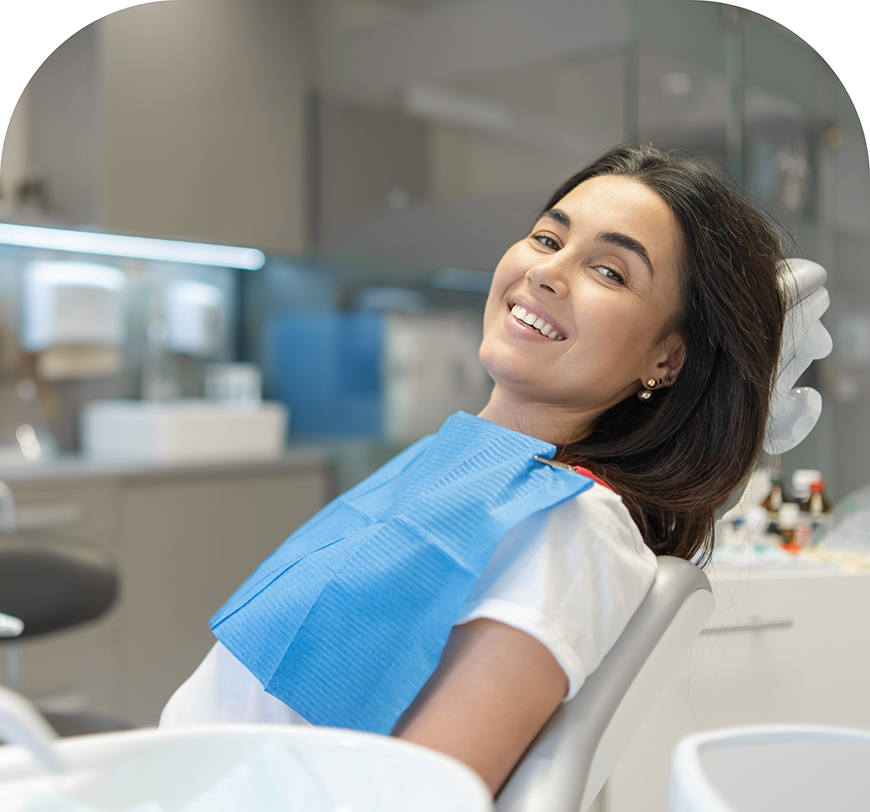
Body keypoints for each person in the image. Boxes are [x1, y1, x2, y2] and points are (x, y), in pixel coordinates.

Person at [160, 144, 786, 795]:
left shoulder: (573, 526)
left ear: (666, 358)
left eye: (609, 271)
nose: (547, 272)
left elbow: (421, 798)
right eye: (547, 237)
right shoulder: (455, 458)